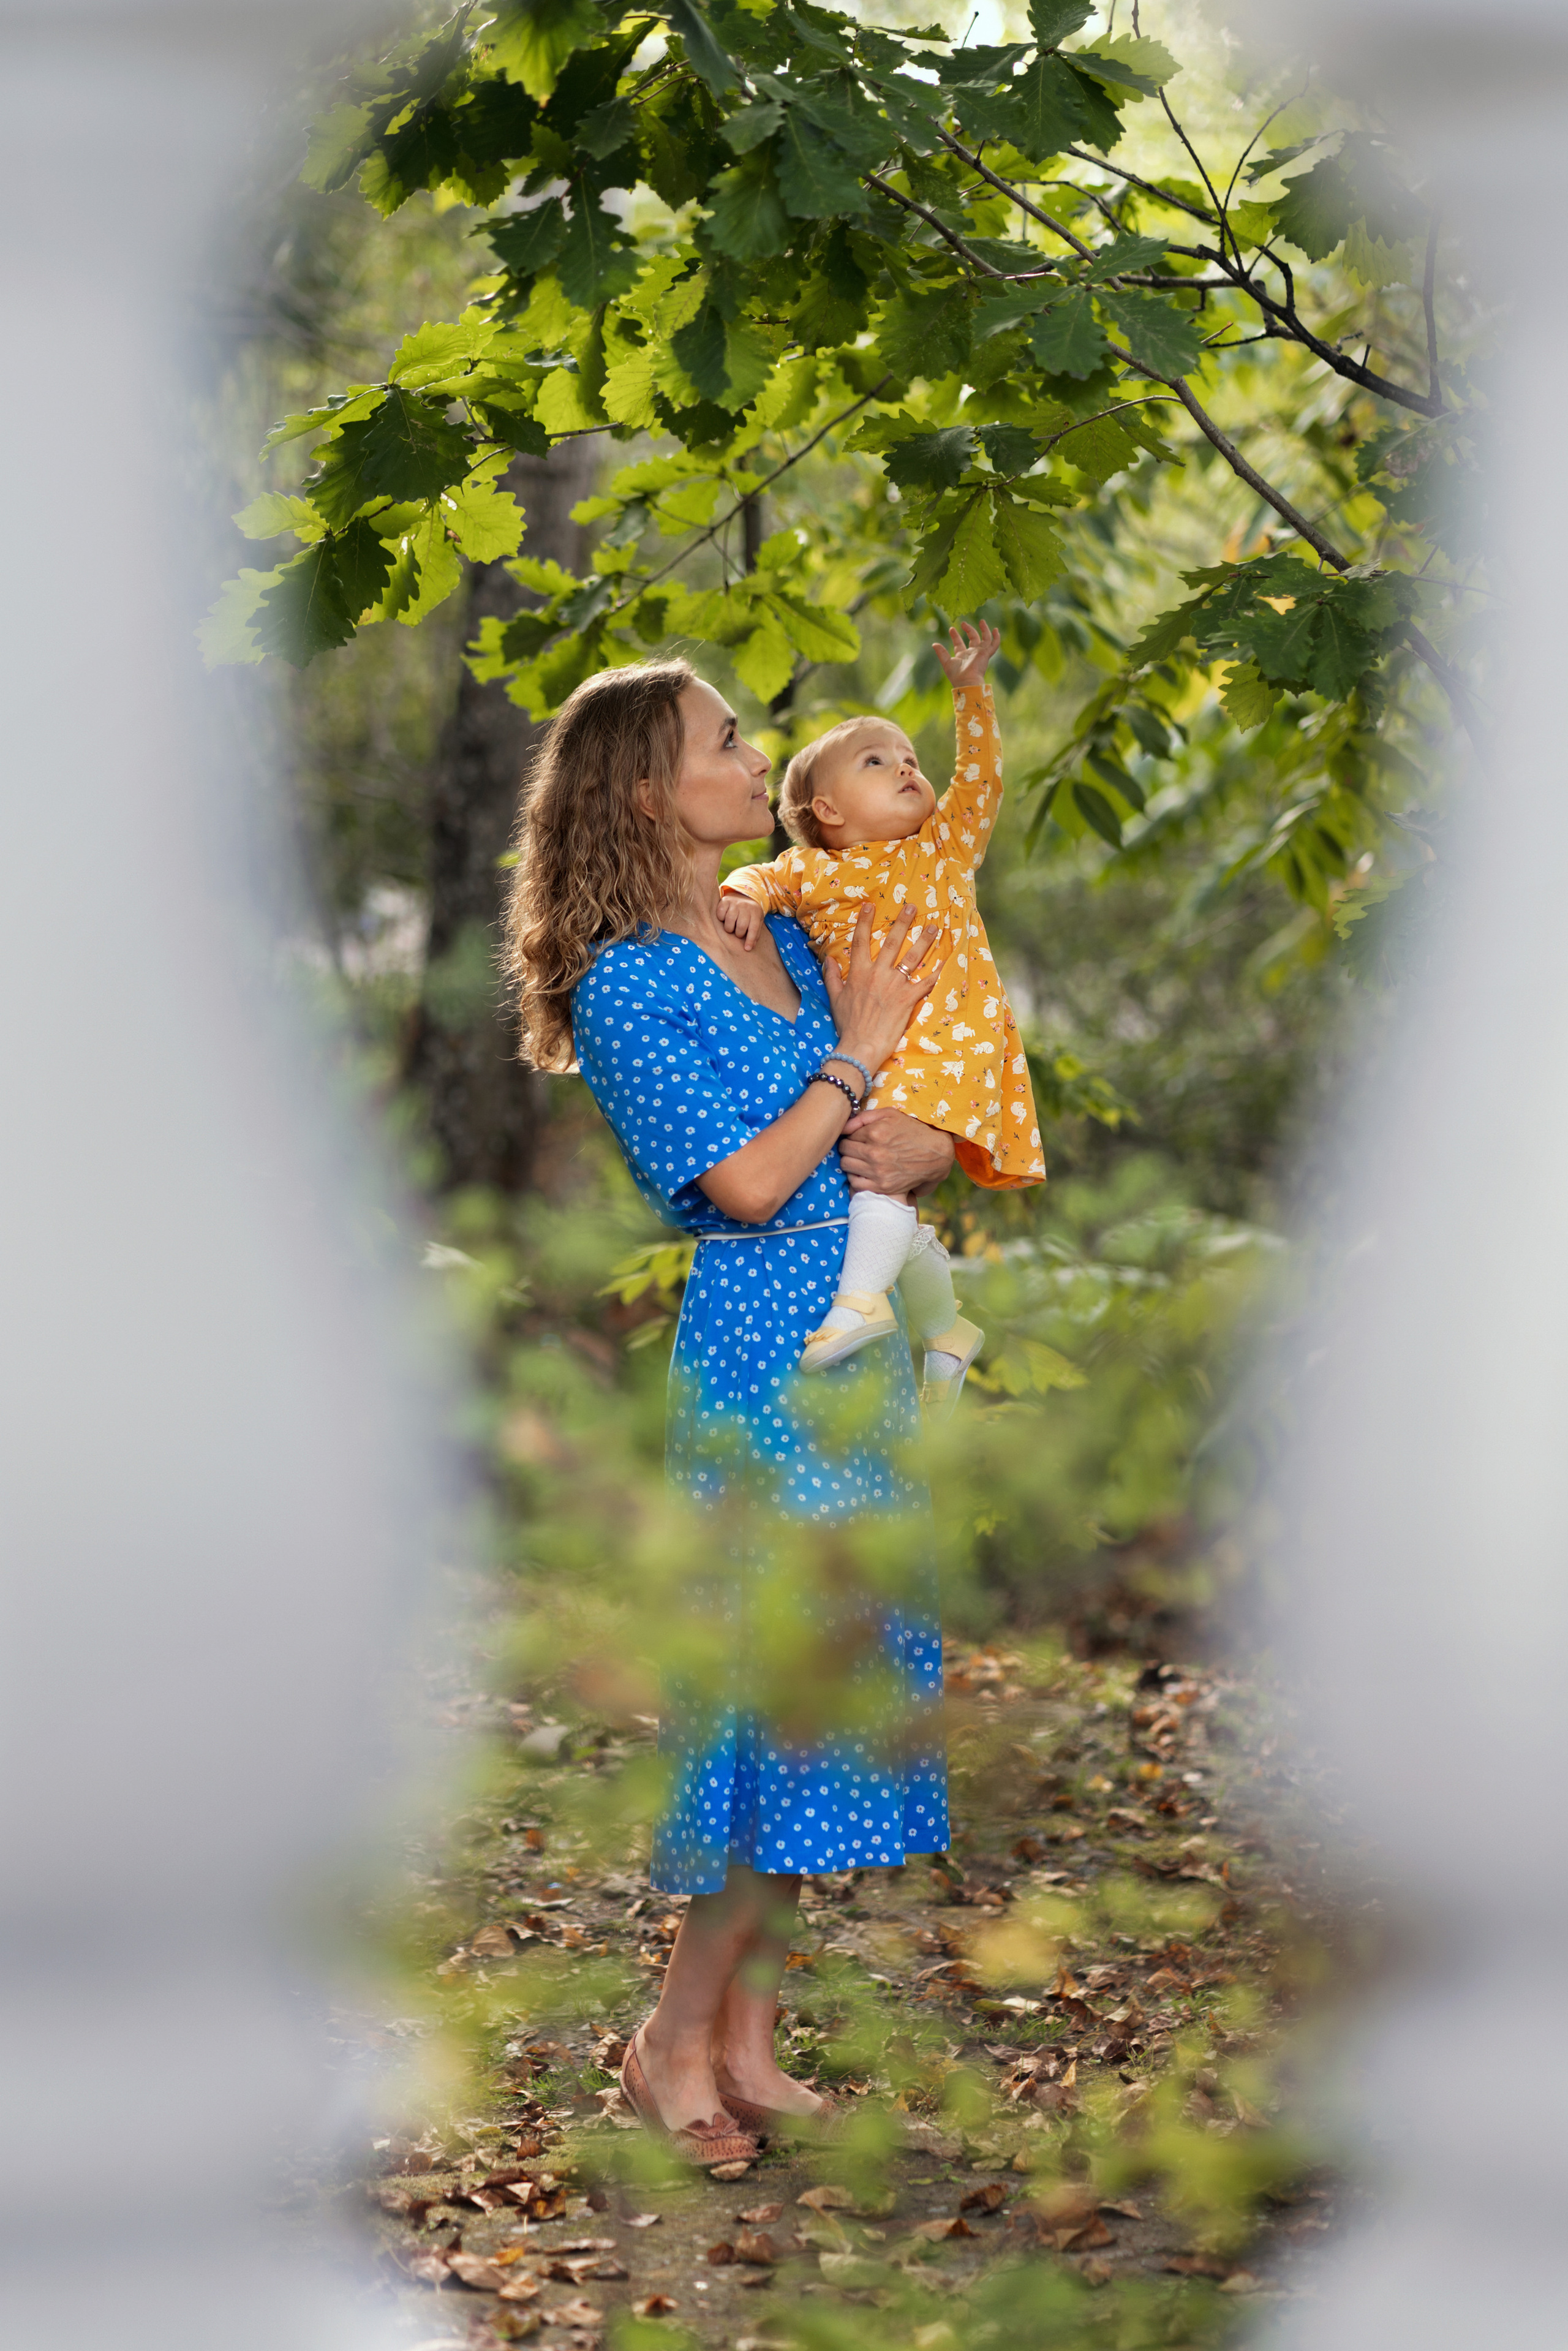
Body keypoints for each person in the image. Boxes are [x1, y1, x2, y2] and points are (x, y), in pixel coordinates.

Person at [504, 659, 954, 2165]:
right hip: (762, 1341)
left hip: (858, 1336)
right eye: (726, 739)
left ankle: (750, 2042)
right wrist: (853, 1065)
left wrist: (913, 1139)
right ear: (646, 789)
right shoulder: (629, 976)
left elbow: (863, 1138)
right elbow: (748, 1181)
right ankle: (665, 2042)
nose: (757, 754)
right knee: (772, 1690)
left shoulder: (776, 927)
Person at [717, 619, 1045, 1414]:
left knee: (873, 1157)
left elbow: (983, 784)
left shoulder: (940, 848)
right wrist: (743, 894)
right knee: (883, 1180)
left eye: (910, 759)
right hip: (885, 1047)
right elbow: (766, 876)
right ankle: (945, 1326)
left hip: (956, 1036)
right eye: (877, 760)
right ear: (826, 807)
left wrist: (972, 693)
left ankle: (860, 1303)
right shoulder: (811, 869)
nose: (906, 766)